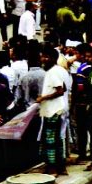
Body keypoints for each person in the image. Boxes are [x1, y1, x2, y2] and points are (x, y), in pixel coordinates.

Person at [36, 48, 67, 176]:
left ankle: (53, 168)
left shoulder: (52, 72)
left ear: (53, 59)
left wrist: (43, 98)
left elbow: (60, 90)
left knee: (50, 140)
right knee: (57, 139)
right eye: (42, 56)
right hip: (57, 109)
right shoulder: (58, 70)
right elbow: (64, 88)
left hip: (52, 111)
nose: (43, 59)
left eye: (46, 57)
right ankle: (61, 166)